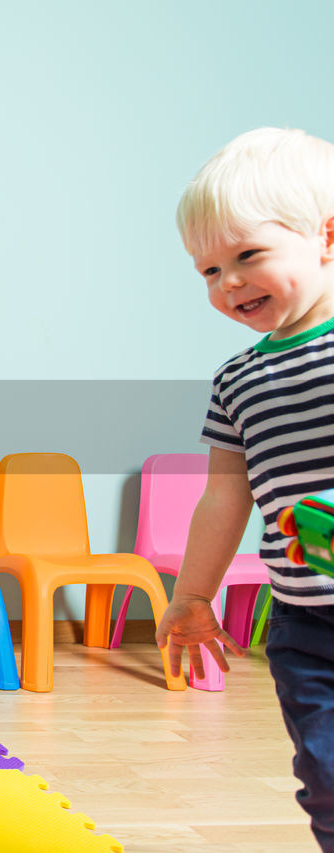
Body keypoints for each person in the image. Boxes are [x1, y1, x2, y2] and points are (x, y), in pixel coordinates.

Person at [156, 127, 334, 850]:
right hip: (306, 624)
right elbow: (224, 497)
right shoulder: (237, 379)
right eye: (208, 270)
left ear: (327, 236)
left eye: (248, 256)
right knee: (325, 773)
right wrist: (192, 596)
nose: (228, 282)